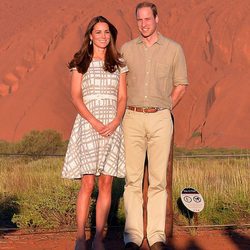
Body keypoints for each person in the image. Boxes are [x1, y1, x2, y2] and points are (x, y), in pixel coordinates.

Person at [121, 2, 188, 250]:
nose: (144, 24)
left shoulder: (173, 49)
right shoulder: (126, 50)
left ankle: (157, 236)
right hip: (132, 117)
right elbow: (120, 85)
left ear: (157, 19)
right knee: (132, 180)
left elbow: (181, 84)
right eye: (139, 20)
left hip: (161, 117)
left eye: (148, 19)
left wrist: (165, 107)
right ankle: (133, 237)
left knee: (159, 181)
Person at [62, 16, 127, 250]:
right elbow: (75, 97)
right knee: (88, 184)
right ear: (90, 36)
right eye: (98, 32)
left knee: (107, 183)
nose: (103, 36)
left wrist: (116, 121)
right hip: (88, 125)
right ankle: (80, 237)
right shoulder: (81, 61)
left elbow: (122, 97)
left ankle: (99, 239)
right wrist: (94, 121)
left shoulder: (119, 63)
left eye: (106, 32)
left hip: (112, 126)